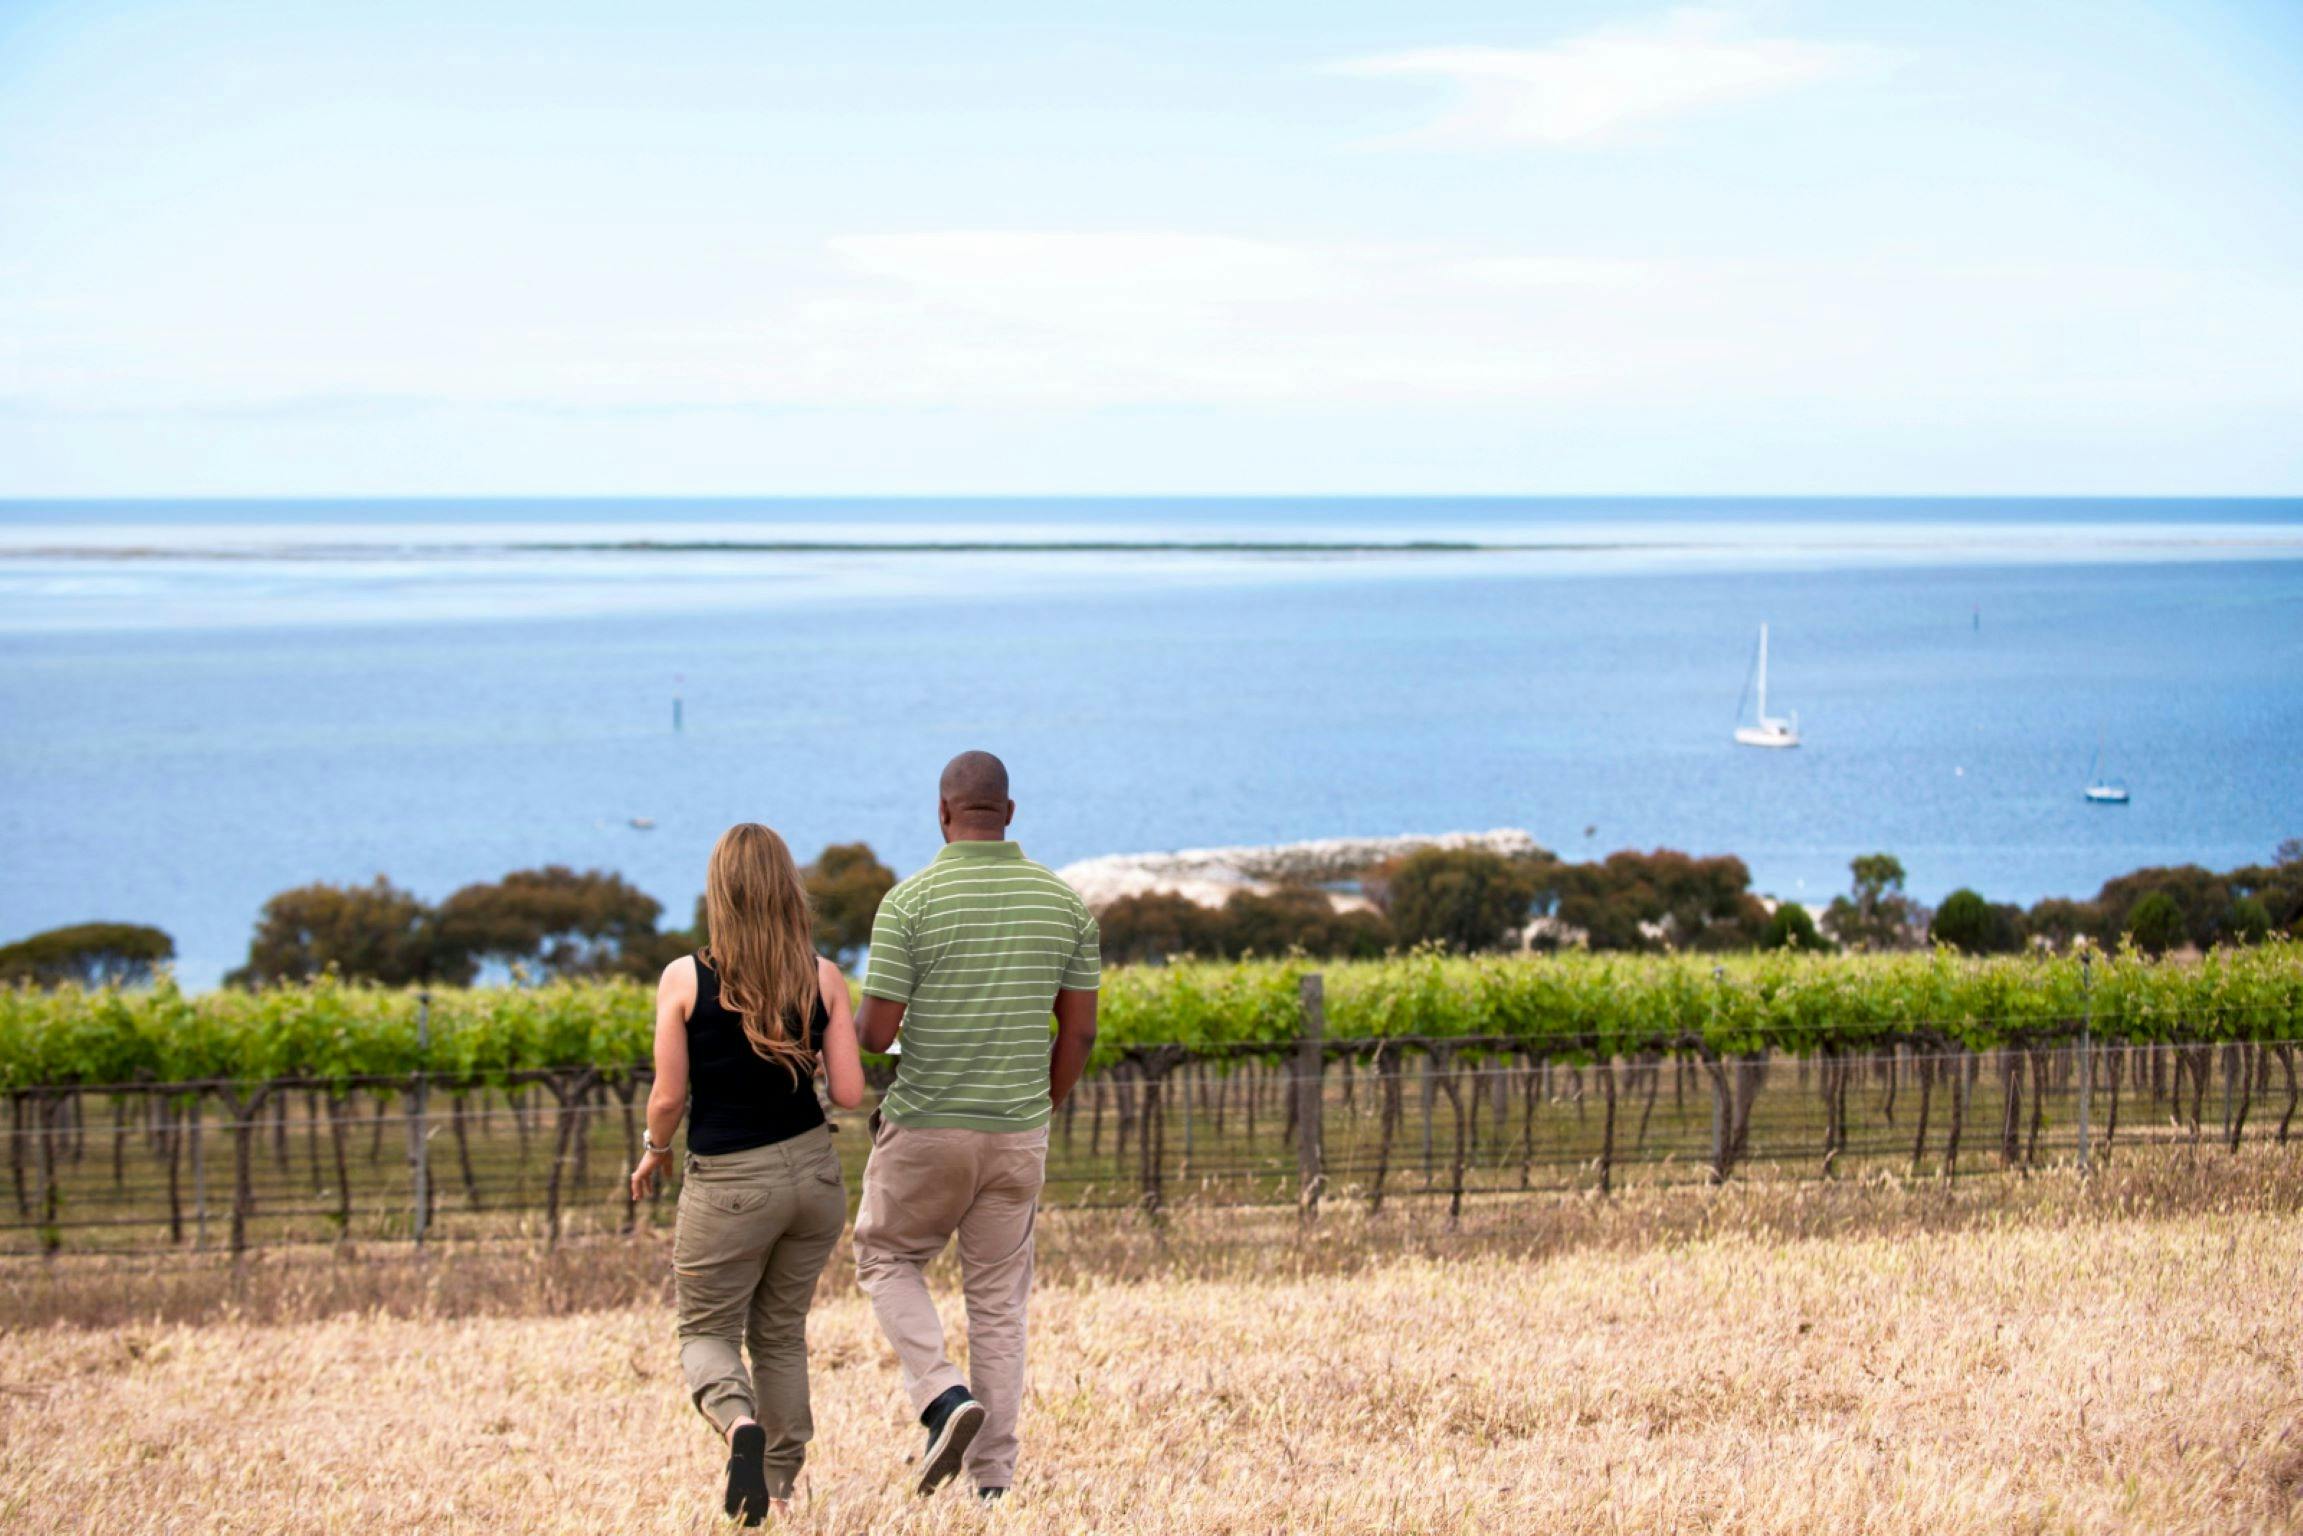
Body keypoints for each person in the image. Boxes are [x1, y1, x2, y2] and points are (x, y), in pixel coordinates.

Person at [852, 751, 1100, 1503]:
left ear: (941, 812)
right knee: (997, 1304)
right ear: (1010, 813)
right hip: (1018, 1132)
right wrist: (1040, 1105)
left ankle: (940, 1395)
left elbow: (874, 1031)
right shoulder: (1064, 905)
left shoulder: (908, 904)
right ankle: (992, 1482)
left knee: (884, 1256)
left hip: (926, 1124)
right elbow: (1080, 1035)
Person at [630, 822, 866, 1526]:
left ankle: (738, 1426)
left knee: (704, 1332)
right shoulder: (821, 975)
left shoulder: (683, 979)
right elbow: (851, 1095)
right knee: (780, 1333)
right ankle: (782, 1486)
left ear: (720, 894)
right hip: (815, 1180)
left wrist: (654, 1146)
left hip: (730, 1184)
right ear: (788, 889)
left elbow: (669, 1097)